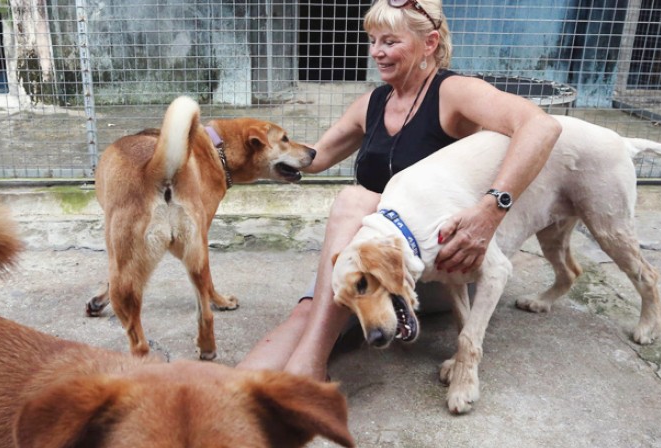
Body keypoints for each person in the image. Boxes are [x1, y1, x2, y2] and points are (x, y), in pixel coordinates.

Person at [239, 0, 562, 381]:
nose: (376, 51)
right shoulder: (373, 103)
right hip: (372, 262)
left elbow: (541, 127)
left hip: (435, 267)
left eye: (390, 41)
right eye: (373, 40)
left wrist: (491, 210)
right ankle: (225, 398)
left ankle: (309, 363)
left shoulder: (454, 92)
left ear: (429, 43)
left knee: (355, 199)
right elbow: (313, 157)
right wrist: (235, 154)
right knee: (308, 311)